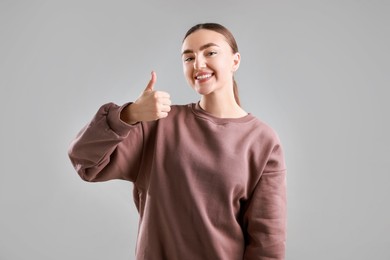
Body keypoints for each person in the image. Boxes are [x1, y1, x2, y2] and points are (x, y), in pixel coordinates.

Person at [68, 22, 286, 260]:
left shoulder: (262, 140)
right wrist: (128, 116)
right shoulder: (157, 124)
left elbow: (267, 241)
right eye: (188, 58)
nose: (198, 64)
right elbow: (85, 161)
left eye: (210, 52)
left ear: (235, 61)